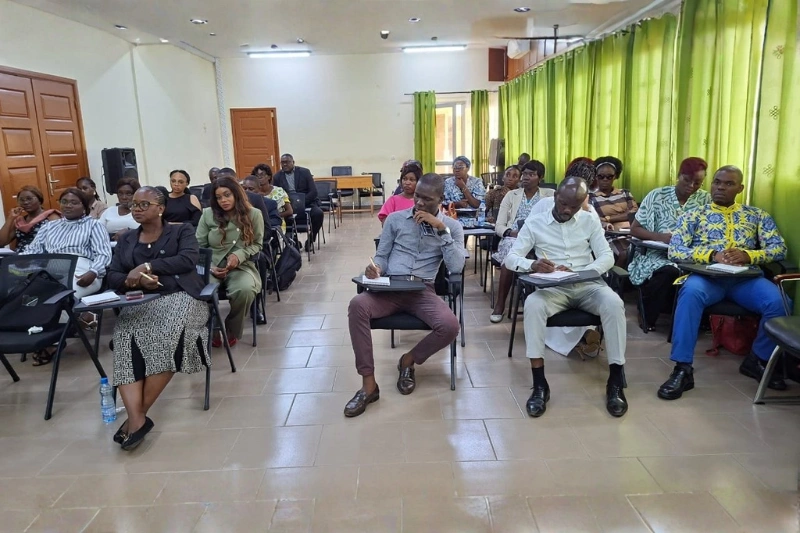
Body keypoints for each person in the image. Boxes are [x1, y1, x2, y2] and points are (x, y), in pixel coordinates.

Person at [658, 166, 790, 400]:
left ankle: (757, 359)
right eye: (717, 182)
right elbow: (675, 250)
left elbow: (779, 248)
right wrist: (712, 255)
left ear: (740, 188)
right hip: (707, 277)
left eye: (728, 184)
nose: (720, 187)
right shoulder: (693, 214)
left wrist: (749, 256)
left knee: (780, 302)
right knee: (689, 295)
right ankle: (682, 368)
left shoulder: (757, 215)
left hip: (745, 280)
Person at [505, 176, 628, 418]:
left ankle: (615, 382)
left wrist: (582, 272)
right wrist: (533, 264)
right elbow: (511, 258)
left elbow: (607, 256)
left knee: (614, 303)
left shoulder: (589, 220)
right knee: (533, 304)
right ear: (555, 196)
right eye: (562, 203)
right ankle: (540, 385)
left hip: (587, 284)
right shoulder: (536, 222)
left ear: (584, 202)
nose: (567, 210)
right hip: (553, 288)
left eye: (574, 205)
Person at [344, 173, 465, 417]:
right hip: (390, 287)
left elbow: (456, 267)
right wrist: (376, 268)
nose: (419, 203)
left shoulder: (452, 226)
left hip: (422, 290)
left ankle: (409, 360)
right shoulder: (396, 220)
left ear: (440, 199)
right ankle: (369, 385)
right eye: (417, 196)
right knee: (357, 304)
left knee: (450, 326)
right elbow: (382, 255)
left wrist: (441, 229)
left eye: (426, 199)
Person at [106, 186, 210, 450]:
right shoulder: (127, 239)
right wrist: (135, 281)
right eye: (134, 206)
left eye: (144, 204)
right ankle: (137, 419)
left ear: (160, 208)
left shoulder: (181, 231)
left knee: (167, 334)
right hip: (140, 302)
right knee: (124, 339)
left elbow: (187, 260)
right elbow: (113, 275)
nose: (137, 209)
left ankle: (135, 418)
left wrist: (147, 266)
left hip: (182, 298)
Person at [526, 160, 603, 359]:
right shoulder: (544, 205)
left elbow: (599, 249)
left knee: (588, 292)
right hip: (549, 271)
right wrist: (536, 264)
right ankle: (584, 336)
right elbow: (529, 239)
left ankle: (585, 335)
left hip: (580, 274)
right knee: (552, 297)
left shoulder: (589, 213)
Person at [629, 157, 711, 331]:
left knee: (699, 275)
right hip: (657, 253)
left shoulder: (706, 200)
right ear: (678, 175)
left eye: (697, 183)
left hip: (691, 255)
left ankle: (688, 321)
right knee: (668, 271)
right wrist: (661, 237)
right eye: (687, 180)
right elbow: (635, 230)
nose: (691, 186)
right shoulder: (657, 195)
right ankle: (647, 316)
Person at [196, 176, 264, 347]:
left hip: (241, 266)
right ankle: (213, 328)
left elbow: (257, 244)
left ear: (236, 194)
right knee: (201, 290)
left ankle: (232, 326)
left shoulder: (253, 214)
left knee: (246, 289)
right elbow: (197, 247)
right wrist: (210, 267)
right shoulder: (208, 215)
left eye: (227, 195)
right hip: (211, 266)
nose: (223, 200)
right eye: (219, 197)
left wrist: (239, 255)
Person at [490, 160, 553, 322]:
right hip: (515, 237)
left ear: (541, 177)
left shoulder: (550, 196)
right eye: (524, 174)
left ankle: (549, 305)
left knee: (554, 254)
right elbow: (499, 225)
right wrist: (511, 232)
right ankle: (500, 304)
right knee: (510, 257)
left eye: (531, 174)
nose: (525, 177)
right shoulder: (511, 195)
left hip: (542, 239)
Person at [590, 156, 638, 266]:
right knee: (625, 254)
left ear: (615, 176)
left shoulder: (625, 193)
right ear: (596, 177)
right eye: (601, 177)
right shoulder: (592, 197)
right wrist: (611, 221)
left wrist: (609, 218)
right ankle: (618, 280)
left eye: (609, 177)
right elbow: (593, 219)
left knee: (642, 252)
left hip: (631, 234)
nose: (605, 180)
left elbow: (634, 213)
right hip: (610, 235)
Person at [272, 154, 322, 251]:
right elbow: (275, 194)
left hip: (306, 202)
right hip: (288, 205)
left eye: (287, 162)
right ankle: (293, 240)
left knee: (318, 214)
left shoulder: (305, 172)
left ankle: (311, 239)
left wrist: (301, 202)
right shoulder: (277, 177)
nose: (285, 164)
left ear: (293, 162)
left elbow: (313, 192)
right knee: (279, 217)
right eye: (282, 162)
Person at [0, 186, 60, 253]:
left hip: (42, 257)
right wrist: (10, 218)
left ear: (40, 200)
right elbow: (1, 242)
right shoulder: (19, 222)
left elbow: (58, 242)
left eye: (29, 199)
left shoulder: (51, 217)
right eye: (22, 200)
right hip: (20, 258)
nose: (25, 202)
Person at [377, 160, 421, 225]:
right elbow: (385, 222)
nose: (407, 183)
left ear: (418, 182)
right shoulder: (393, 200)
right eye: (404, 179)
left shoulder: (421, 202)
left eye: (412, 180)